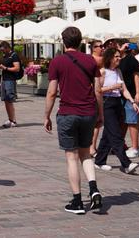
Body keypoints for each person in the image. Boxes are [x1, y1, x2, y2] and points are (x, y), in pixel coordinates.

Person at [44, 26, 104, 215]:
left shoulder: (57, 62)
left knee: (72, 157)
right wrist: (100, 114)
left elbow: (52, 92)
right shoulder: (90, 61)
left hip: (68, 113)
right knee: (86, 154)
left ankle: (77, 201)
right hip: (88, 113)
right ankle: (94, 189)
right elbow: (97, 90)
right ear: (80, 42)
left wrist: (46, 115)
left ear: (63, 42)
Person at [94, 47, 139, 174]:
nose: (119, 58)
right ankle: (126, 164)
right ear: (110, 58)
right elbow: (98, 90)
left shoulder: (118, 71)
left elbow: (124, 89)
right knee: (116, 135)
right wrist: (113, 87)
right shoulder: (102, 72)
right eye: (116, 56)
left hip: (117, 104)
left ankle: (99, 161)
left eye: (119, 56)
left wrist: (132, 102)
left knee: (108, 135)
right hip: (106, 104)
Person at [119, 42, 139, 158]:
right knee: (123, 121)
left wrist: (138, 93)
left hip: (132, 94)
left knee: (132, 121)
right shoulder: (118, 60)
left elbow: (136, 76)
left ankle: (135, 148)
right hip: (121, 95)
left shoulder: (131, 60)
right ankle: (120, 144)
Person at [0, 41, 22, 128]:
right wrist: (1, 80)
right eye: (1, 50)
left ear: (7, 47)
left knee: (10, 100)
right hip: (4, 79)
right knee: (5, 100)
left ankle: (14, 120)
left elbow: (17, 68)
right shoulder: (5, 56)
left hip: (10, 80)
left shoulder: (14, 55)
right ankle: (10, 119)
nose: (2, 52)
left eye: (3, 50)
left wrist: (5, 68)